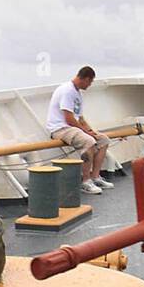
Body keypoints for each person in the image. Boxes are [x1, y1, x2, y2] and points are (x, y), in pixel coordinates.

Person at [45, 66, 111, 195]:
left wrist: (91, 131)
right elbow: (69, 118)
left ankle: (95, 177)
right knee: (89, 141)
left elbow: (80, 118)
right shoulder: (67, 91)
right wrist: (87, 134)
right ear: (86, 79)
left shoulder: (77, 93)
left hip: (71, 128)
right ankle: (85, 181)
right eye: (90, 82)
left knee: (103, 140)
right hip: (60, 128)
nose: (90, 85)